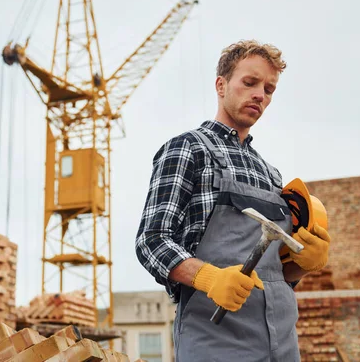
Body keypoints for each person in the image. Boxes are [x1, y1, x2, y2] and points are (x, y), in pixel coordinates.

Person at [135, 40, 331, 361]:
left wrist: (304, 265)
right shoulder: (188, 149)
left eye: (269, 89)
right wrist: (208, 277)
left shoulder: (271, 174)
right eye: (250, 82)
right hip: (216, 342)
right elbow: (151, 242)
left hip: (281, 344)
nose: (260, 95)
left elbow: (272, 273)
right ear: (221, 84)